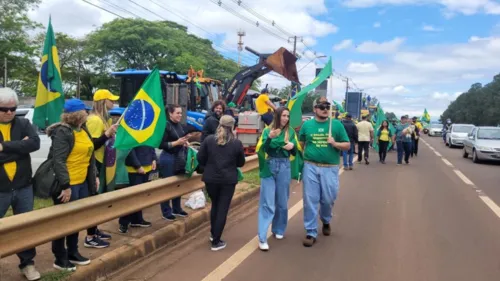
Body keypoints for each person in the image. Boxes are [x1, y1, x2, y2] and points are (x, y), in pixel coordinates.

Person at [46, 99, 97, 271]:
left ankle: (73, 252)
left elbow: (90, 155)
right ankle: (60, 257)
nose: (88, 114)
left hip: (82, 183)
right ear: (78, 114)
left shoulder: (83, 129)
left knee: (76, 220)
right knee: (63, 222)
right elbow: (58, 161)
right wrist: (66, 186)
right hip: (68, 184)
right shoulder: (63, 132)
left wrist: (94, 176)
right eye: (86, 111)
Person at [0, 87, 41, 281]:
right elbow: (26, 147)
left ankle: (27, 264)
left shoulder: (24, 123)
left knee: (25, 227)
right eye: (4, 109)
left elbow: (34, 143)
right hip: (0, 189)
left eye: (13, 108)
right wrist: (20, 148)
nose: (9, 112)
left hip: (24, 186)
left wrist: (4, 147)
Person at [299, 97, 350, 247]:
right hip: (310, 166)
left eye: (327, 106)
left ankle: (326, 220)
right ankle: (310, 231)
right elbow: (301, 144)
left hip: (330, 168)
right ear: (315, 109)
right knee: (310, 200)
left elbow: (347, 145)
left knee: (328, 199)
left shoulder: (337, 125)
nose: (325, 109)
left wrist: (335, 143)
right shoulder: (307, 125)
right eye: (321, 106)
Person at [197, 115, 245, 251]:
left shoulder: (209, 140)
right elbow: (241, 162)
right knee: (222, 209)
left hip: (210, 179)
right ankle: (216, 241)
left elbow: (200, 158)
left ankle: (213, 235)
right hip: (228, 180)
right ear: (232, 127)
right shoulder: (236, 143)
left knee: (215, 206)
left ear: (220, 125)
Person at [257, 107, 297, 251]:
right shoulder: (268, 131)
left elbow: (295, 151)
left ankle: (279, 229)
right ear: (277, 116)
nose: (286, 118)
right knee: (267, 202)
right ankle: (262, 237)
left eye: (288, 116)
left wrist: (292, 147)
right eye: (283, 115)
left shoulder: (291, 132)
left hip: (285, 167)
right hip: (270, 165)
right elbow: (263, 149)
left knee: (282, 201)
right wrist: (269, 138)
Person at [84, 89, 119, 248]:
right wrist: (107, 134)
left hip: (104, 161)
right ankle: (90, 236)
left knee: (99, 199)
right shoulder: (94, 120)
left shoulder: (106, 119)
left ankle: (95, 229)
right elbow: (91, 145)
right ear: (103, 102)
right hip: (95, 163)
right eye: (111, 100)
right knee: (94, 199)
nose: (114, 103)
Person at [159, 104, 189, 221]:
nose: (180, 115)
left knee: (178, 184)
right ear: (170, 114)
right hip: (168, 158)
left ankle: (177, 208)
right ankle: (166, 211)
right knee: (168, 185)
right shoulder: (166, 126)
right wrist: (176, 143)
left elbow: (180, 139)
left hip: (179, 158)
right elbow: (161, 145)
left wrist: (185, 142)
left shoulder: (179, 126)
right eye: (177, 113)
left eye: (181, 113)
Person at [118, 146, 156, 233]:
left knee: (141, 197)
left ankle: (137, 219)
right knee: (131, 198)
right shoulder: (131, 132)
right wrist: (137, 165)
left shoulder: (147, 132)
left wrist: (154, 158)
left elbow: (151, 143)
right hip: (134, 170)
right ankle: (124, 222)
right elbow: (129, 149)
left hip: (147, 167)